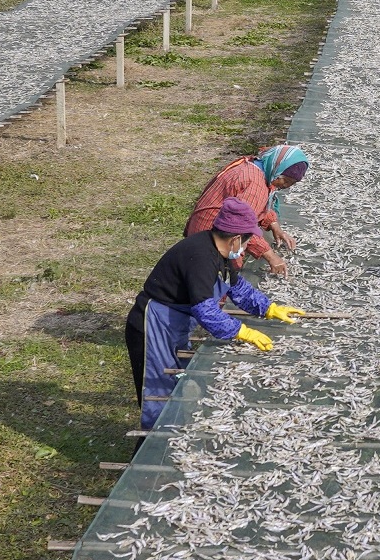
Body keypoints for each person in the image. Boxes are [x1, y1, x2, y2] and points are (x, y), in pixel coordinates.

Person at [126, 198, 305, 428]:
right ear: (236, 239)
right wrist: (241, 331)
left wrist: (268, 308)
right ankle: (153, 446)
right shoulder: (201, 256)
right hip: (152, 325)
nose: (244, 248)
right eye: (246, 241)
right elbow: (204, 309)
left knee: (178, 380)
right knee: (159, 390)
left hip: (175, 323)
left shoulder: (220, 253)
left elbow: (235, 286)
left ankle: (177, 430)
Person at [185, 144, 309, 277]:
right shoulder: (254, 185)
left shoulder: (258, 166)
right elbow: (242, 227)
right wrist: (272, 257)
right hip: (214, 236)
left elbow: (257, 208)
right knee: (215, 280)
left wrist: (274, 226)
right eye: (285, 180)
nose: (284, 185)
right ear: (277, 168)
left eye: (291, 183)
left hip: (212, 231)